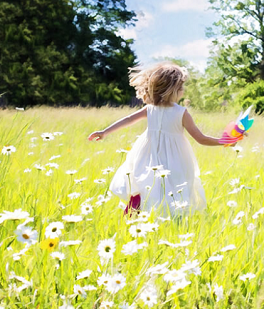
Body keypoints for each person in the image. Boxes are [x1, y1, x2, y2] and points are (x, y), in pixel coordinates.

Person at [88, 62, 224, 217]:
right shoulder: (181, 112)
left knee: (145, 183)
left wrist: (105, 132)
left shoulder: (151, 108)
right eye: (180, 88)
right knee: (172, 188)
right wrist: (223, 141)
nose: (183, 91)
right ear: (170, 90)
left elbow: (128, 119)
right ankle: (164, 218)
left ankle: (136, 216)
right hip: (173, 157)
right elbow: (201, 138)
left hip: (147, 153)